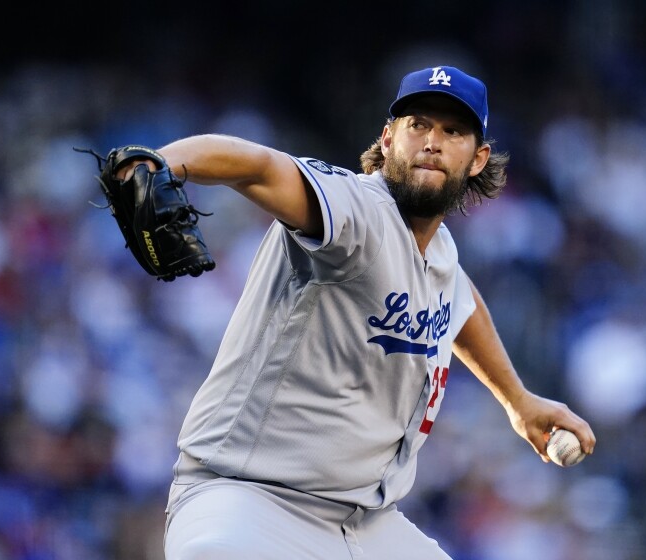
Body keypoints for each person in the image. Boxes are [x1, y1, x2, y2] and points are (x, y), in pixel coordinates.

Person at [120, 65, 596, 559]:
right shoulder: (356, 210)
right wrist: (161, 163)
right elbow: (260, 166)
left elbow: (459, 298)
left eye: (452, 131)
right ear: (388, 139)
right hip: (250, 503)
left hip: (365, 525)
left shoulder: (439, 253)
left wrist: (518, 400)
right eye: (418, 126)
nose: (432, 141)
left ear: (477, 159)